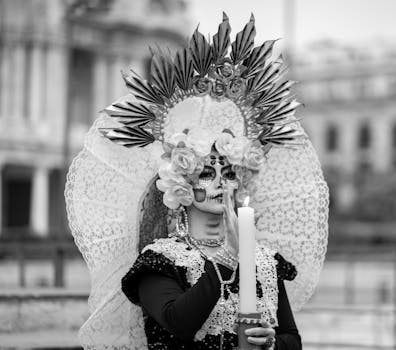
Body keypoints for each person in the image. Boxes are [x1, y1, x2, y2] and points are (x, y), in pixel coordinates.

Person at [66, 13, 329, 350]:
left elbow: (292, 339)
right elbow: (179, 323)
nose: (221, 182)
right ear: (181, 184)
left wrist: (272, 342)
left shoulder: (263, 260)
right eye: (207, 171)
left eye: (230, 172)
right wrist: (228, 260)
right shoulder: (159, 262)